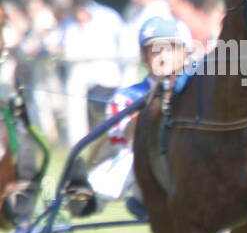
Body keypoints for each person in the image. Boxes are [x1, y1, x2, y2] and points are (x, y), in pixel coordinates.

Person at [78, 16, 190, 218]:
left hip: (189, 166)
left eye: (170, 49)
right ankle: (88, 196)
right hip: (143, 171)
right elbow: (124, 140)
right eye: (155, 51)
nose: (163, 57)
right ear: (144, 57)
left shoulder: (195, 90)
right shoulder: (125, 97)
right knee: (133, 154)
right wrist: (153, 103)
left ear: (184, 53)